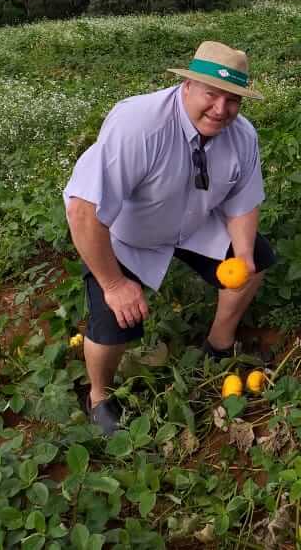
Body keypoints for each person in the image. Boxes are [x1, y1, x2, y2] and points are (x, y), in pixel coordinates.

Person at [63, 41, 274, 434]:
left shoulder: (242, 136)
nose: (220, 109)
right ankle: (99, 397)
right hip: (129, 233)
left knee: (256, 261)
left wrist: (243, 253)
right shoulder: (138, 125)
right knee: (114, 325)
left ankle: (219, 345)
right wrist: (114, 284)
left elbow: (243, 203)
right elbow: (83, 210)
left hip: (194, 223)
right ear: (188, 86)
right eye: (211, 94)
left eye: (233, 100)